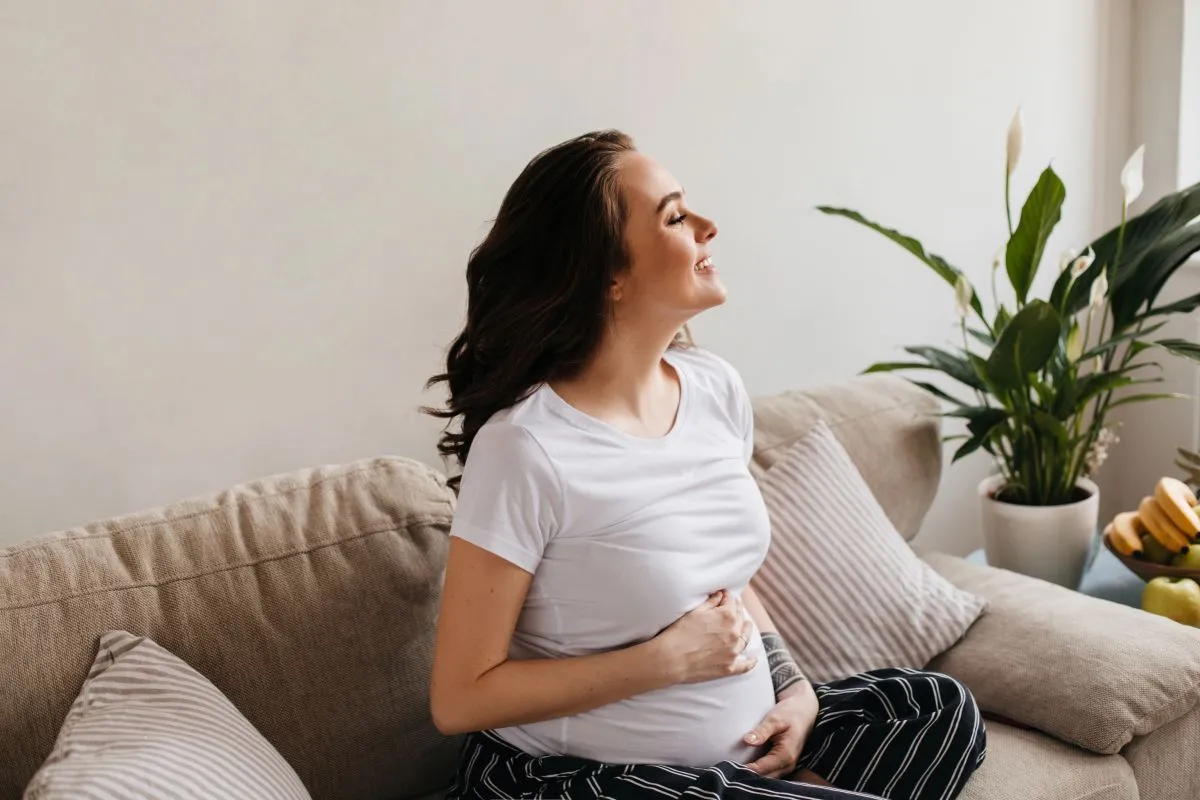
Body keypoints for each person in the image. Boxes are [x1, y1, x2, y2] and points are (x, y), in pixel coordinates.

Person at [425, 130, 986, 800]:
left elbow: (726, 582)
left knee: (939, 710)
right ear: (609, 274)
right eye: (674, 216)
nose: (708, 226)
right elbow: (460, 698)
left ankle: (786, 784)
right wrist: (661, 661)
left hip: (727, 760)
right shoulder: (527, 448)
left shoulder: (713, 388)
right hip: (582, 781)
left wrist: (795, 690)